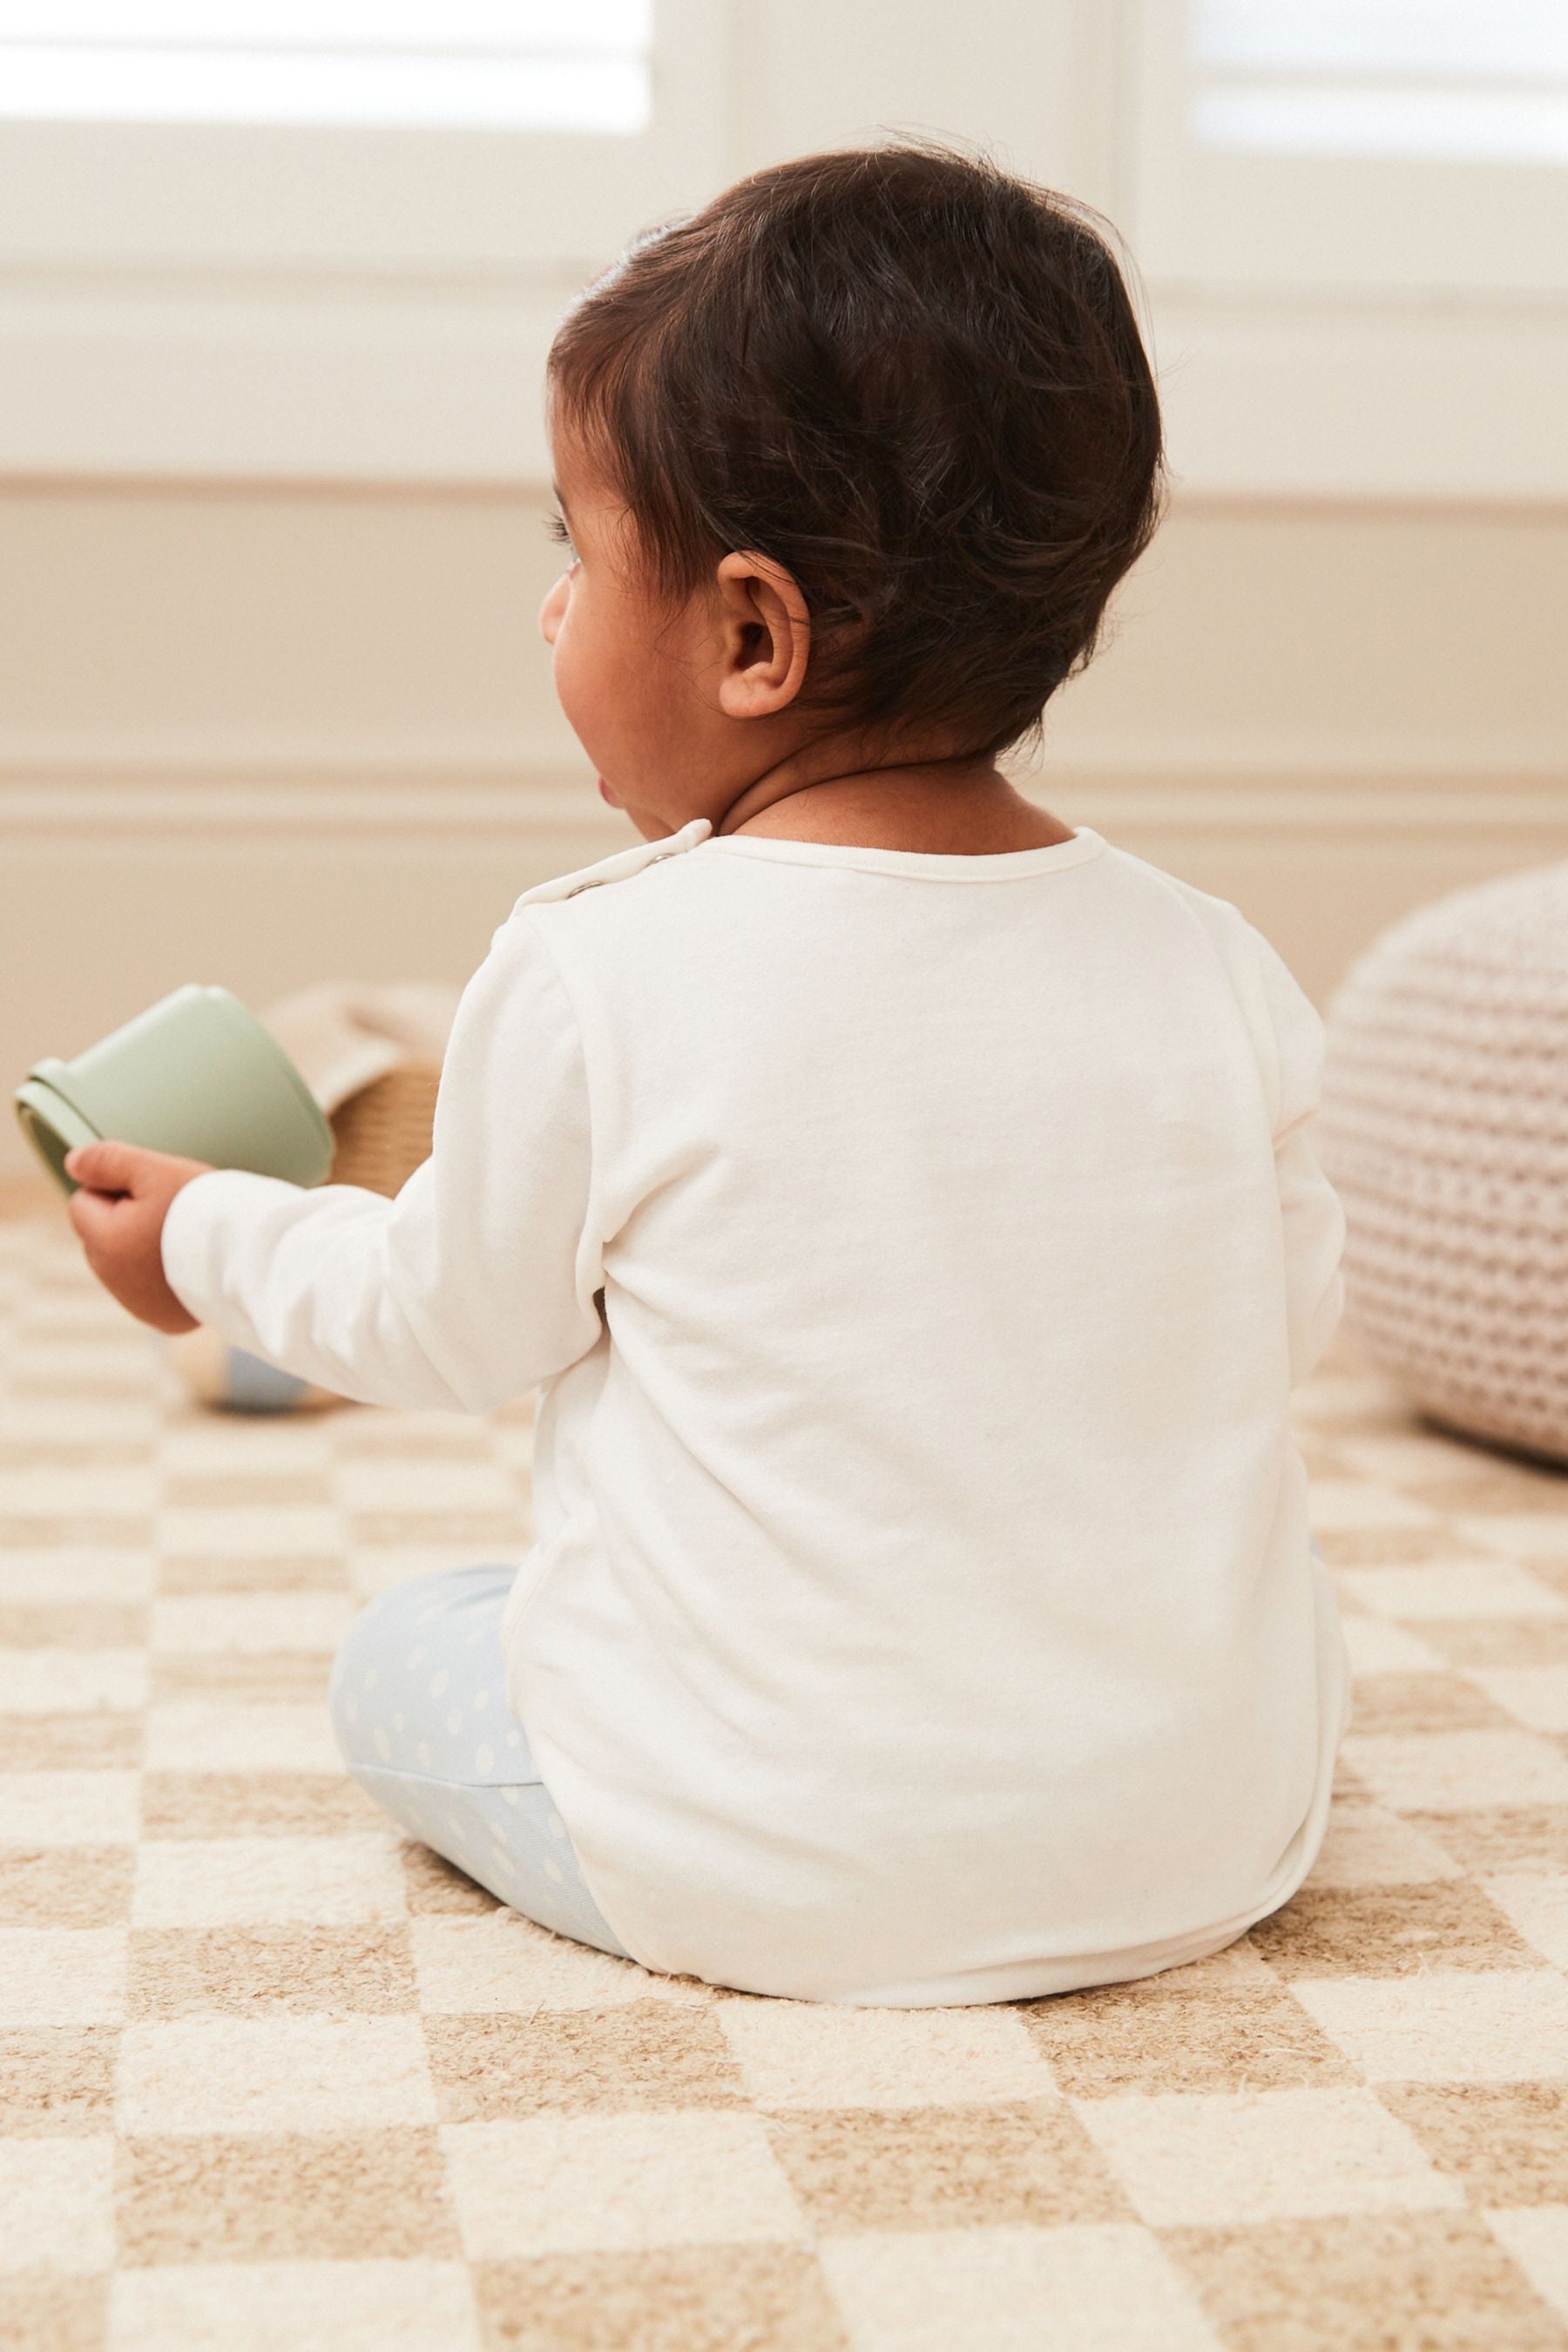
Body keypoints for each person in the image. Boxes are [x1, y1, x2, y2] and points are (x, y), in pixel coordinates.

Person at [63, 143, 1348, 2006]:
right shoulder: (1217, 967)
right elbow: (1278, 1319)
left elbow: (446, 1325)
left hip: (769, 1867)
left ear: (751, 635)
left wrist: (207, 1243)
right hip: (1207, 1845)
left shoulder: (601, 969)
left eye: (573, 554)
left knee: (407, 1645)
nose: (550, 611)